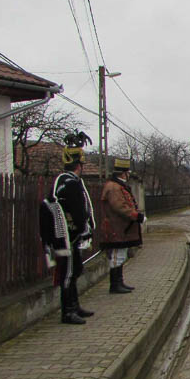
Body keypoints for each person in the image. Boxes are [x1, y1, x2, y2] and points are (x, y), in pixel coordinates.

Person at [40, 131, 96, 324]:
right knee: (68, 273)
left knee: (74, 271)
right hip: (67, 237)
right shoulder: (69, 183)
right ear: (79, 165)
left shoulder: (64, 181)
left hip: (68, 235)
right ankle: (67, 311)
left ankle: (75, 305)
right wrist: (83, 229)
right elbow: (77, 211)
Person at [99, 157, 144, 294]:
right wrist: (136, 216)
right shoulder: (114, 187)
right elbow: (120, 207)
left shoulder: (118, 186)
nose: (128, 175)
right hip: (115, 228)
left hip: (121, 228)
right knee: (116, 256)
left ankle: (120, 281)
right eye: (128, 172)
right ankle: (115, 284)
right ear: (124, 173)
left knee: (121, 254)